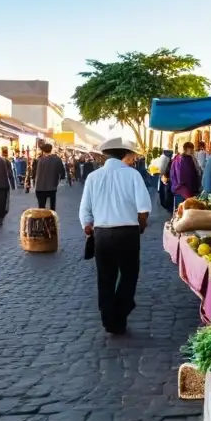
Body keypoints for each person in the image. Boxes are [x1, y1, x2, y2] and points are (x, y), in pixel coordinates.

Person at [79, 137, 151, 335]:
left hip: (102, 234)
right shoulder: (133, 175)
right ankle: (119, 313)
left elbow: (85, 209)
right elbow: (144, 208)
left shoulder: (93, 177)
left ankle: (109, 319)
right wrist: (141, 226)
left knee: (105, 278)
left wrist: (88, 226)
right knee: (129, 276)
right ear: (124, 155)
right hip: (127, 233)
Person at [31, 143, 67, 211]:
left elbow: (33, 173)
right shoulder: (57, 159)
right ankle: (52, 219)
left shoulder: (38, 160)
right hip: (52, 187)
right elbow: (62, 173)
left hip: (39, 187)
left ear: (43, 151)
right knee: (52, 207)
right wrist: (59, 179)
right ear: (51, 150)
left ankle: (42, 220)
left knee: (41, 207)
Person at [169, 142, 201, 208]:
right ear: (186, 149)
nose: (192, 151)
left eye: (193, 149)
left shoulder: (179, 158)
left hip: (179, 189)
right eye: (191, 149)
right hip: (184, 189)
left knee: (180, 210)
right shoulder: (184, 159)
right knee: (182, 210)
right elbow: (187, 176)